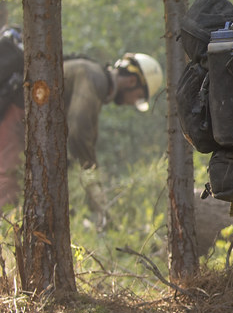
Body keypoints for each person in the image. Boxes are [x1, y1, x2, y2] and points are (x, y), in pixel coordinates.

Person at [0, 51, 163, 212]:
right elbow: (79, 132)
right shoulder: (94, 78)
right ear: (132, 81)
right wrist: (91, 180)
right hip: (20, 117)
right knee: (9, 182)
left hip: (28, 121)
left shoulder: (95, 78)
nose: (132, 103)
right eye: (139, 97)